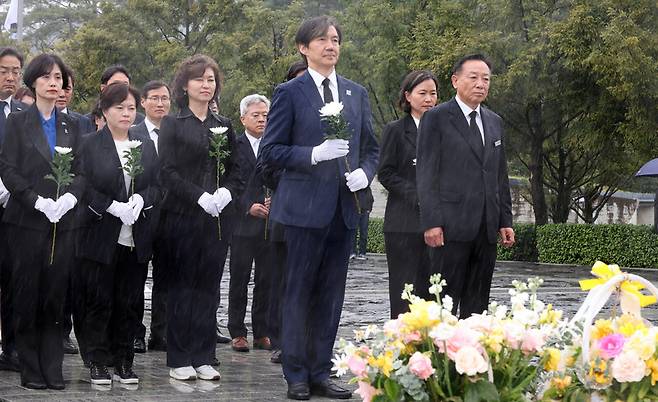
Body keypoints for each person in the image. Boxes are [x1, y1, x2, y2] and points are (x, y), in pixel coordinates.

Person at [260, 15, 379, 400]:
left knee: (330, 297)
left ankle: (321, 372)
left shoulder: (355, 93)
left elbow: (372, 148)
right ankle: (295, 374)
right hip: (302, 212)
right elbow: (271, 152)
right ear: (303, 47)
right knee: (297, 294)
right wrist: (313, 154)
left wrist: (365, 171)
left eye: (335, 39)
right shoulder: (290, 93)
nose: (331, 46)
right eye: (322, 40)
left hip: (343, 212)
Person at [0, 53, 83, 390]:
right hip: (25, 222)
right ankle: (29, 365)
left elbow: (82, 170)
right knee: (26, 295)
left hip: (62, 224)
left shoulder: (72, 125)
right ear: (32, 82)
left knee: (55, 297)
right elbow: (7, 167)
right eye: (47, 77)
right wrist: (35, 200)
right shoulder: (18, 122)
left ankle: (52, 366)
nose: (54, 83)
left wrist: (69, 198)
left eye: (59, 77)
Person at [159, 54, 242, 381]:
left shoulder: (224, 125)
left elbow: (237, 170)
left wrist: (226, 194)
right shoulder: (173, 124)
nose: (206, 85)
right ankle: (179, 357)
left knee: (209, 287)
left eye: (211, 80)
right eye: (200, 79)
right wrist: (199, 196)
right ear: (185, 85)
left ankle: (204, 355)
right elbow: (166, 172)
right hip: (182, 216)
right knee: (183, 287)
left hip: (217, 219)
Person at [417, 54, 515, 320]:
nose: (481, 84)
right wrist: (431, 222)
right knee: (443, 305)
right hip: (450, 227)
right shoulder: (436, 118)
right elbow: (426, 173)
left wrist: (505, 219)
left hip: (486, 228)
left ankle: (472, 360)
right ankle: (439, 359)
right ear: (455, 80)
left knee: (477, 306)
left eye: (486, 79)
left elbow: (499, 175)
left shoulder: (494, 121)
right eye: (473, 77)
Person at [74, 83, 160, 385]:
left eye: (131, 108)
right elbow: (82, 185)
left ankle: (125, 361)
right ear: (105, 110)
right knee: (99, 301)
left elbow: (157, 185)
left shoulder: (144, 143)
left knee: (129, 302)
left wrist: (141, 199)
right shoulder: (89, 143)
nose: (126, 113)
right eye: (119, 107)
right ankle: (98, 361)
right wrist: (110, 206)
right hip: (100, 234)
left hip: (135, 237)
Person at [378, 70, 438, 318]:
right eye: (422, 93)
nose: (428, 99)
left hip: (438, 222)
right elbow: (386, 173)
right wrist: (417, 195)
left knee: (433, 289)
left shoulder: (443, 128)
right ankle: (403, 346)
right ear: (408, 96)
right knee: (405, 290)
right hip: (403, 222)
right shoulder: (395, 130)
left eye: (433, 93)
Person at [227, 94, 273, 353]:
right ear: (243, 118)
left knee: (266, 279)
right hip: (243, 223)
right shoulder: (235, 145)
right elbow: (231, 182)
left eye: (265, 115)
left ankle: (262, 331)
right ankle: (237, 331)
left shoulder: (273, 144)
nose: (261, 120)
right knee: (239, 278)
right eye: (255, 115)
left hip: (269, 223)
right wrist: (247, 206)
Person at [130, 80, 171, 353]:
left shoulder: (177, 132)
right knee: (135, 278)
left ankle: (162, 333)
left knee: (167, 278)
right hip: (140, 216)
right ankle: (134, 333)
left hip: (172, 217)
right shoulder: (131, 133)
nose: (160, 104)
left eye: (165, 98)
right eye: (154, 98)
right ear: (142, 102)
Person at [0, 46, 26, 374]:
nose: (9, 77)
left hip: (14, 209)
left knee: (12, 279)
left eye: (15, 71)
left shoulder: (23, 115)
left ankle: (12, 348)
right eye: (4, 70)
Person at [56, 66, 95, 134]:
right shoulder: (35, 120)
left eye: (67, 89)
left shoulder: (84, 123)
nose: (62, 94)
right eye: (58, 89)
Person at [350, 185, 373, 261]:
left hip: (364, 212)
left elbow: (371, 199)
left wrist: (369, 209)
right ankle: (352, 252)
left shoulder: (367, 188)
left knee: (364, 233)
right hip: (355, 212)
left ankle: (362, 253)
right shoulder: (354, 188)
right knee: (353, 233)